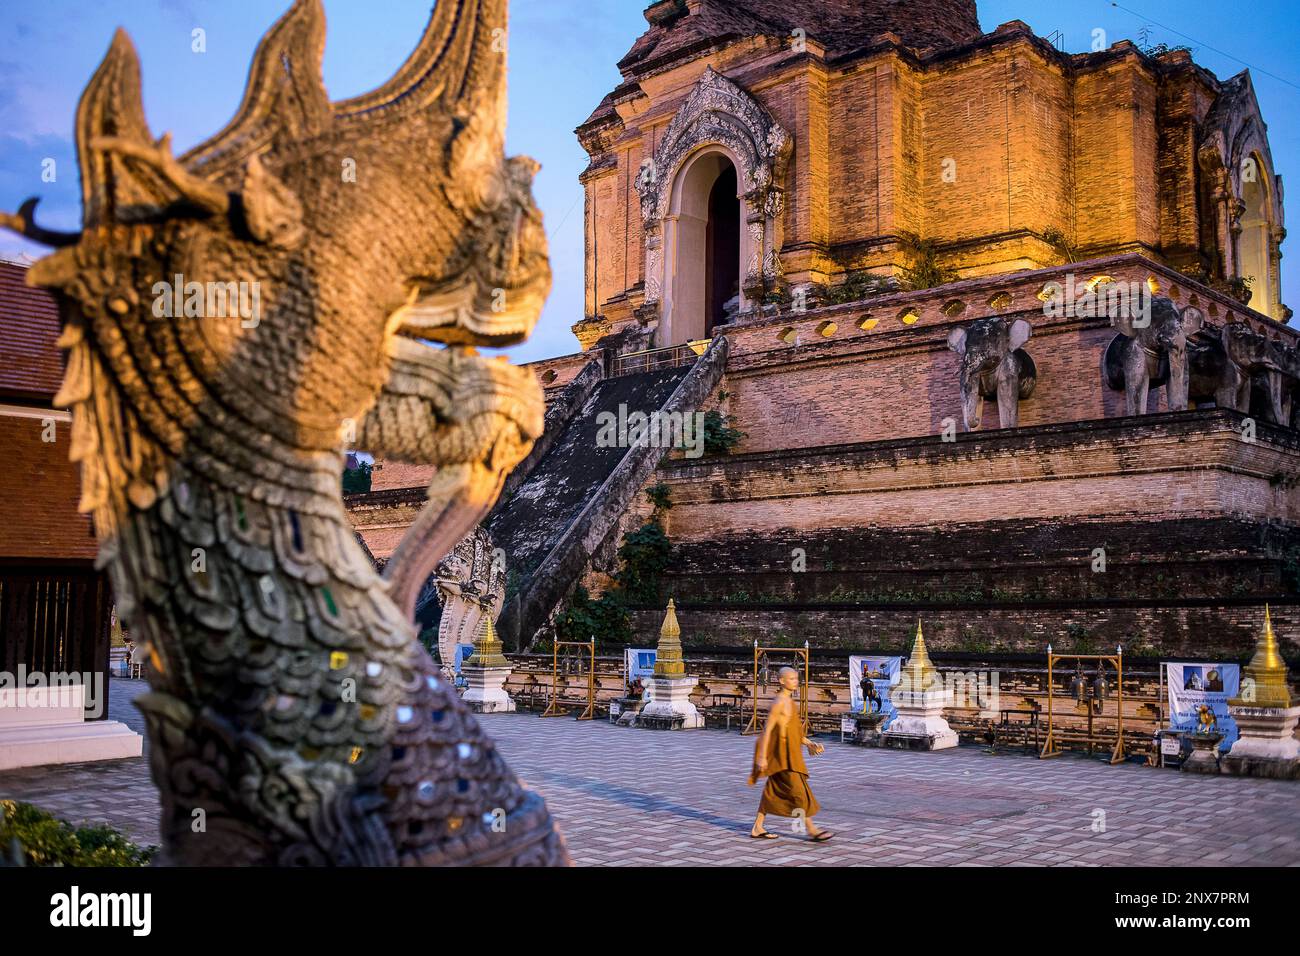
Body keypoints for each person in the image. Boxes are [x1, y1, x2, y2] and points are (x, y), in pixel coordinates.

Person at [748, 666, 833, 842]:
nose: (796, 681)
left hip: (790, 756)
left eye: (796, 678)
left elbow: (793, 732)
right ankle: (811, 829)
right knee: (799, 792)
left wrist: (810, 743)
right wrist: (762, 758)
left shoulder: (790, 702)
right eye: (792, 679)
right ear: (781, 681)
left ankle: (757, 826)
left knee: (773, 790)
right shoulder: (779, 703)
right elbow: (766, 731)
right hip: (782, 758)